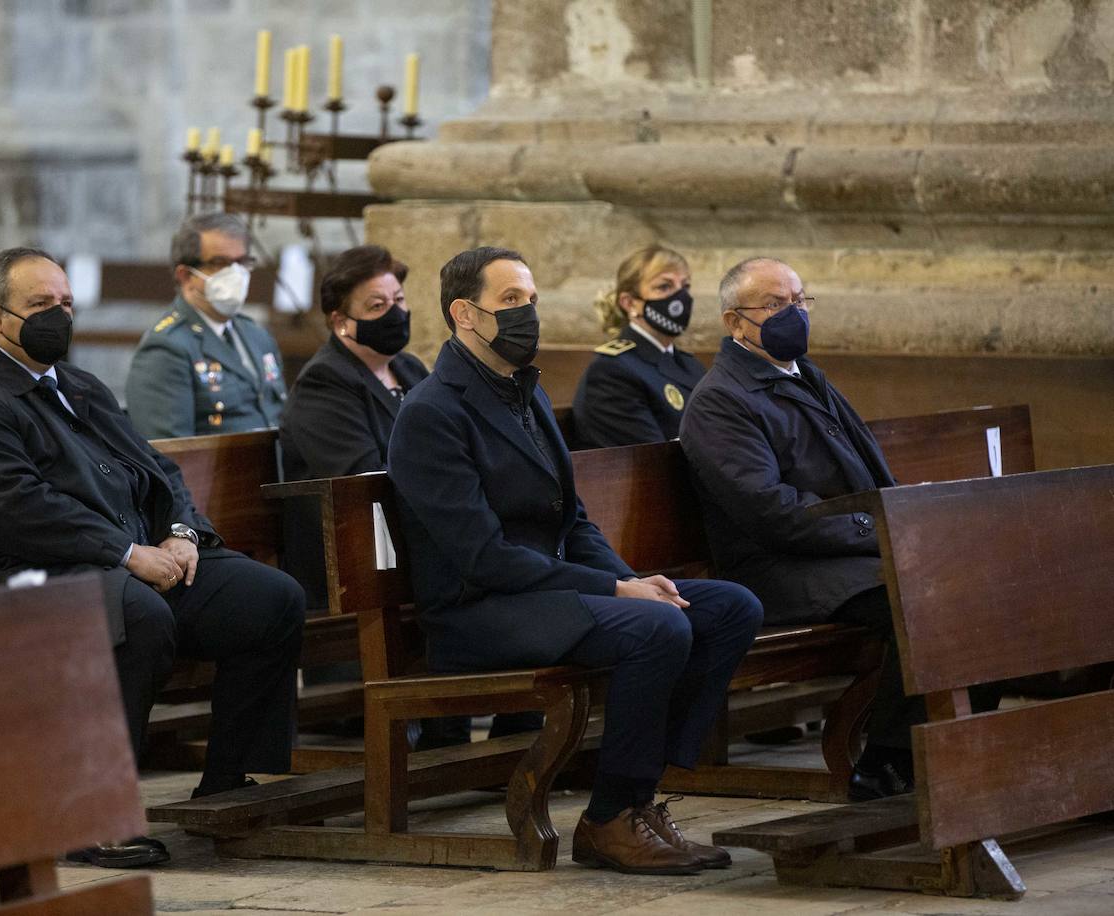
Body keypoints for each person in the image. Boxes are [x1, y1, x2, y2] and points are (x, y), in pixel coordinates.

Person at [0, 247, 305, 868]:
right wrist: (126, 554)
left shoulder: (77, 384)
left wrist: (181, 533)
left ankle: (227, 779)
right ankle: (89, 816)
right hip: (17, 577)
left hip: (118, 560)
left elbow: (159, 471)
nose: (58, 316)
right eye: (40, 306)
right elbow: (19, 509)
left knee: (271, 599)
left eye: (66, 304)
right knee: (138, 616)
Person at [388, 246, 763, 875]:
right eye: (511, 301)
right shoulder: (432, 411)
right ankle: (610, 817)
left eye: (531, 300)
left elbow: (573, 521)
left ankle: (641, 794)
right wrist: (617, 594)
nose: (528, 313)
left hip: (549, 596)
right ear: (464, 313)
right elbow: (484, 558)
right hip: (479, 611)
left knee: (727, 608)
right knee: (657, 626)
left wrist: (630, 578)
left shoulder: (522, 393)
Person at [678, 256, 921, 801]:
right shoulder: (720, 401)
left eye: (800, 301)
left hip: (845, 556)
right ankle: (889, 763)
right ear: (734, 322)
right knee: (923, 600)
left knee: (973, 586)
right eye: (775, 305)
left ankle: (947, 751)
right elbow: (774, 514)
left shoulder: (806, 376)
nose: (794, 314)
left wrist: (910, 523)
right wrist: (872, 527)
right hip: (780, 571)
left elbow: (872, 473)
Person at [126, 213, 287, 438]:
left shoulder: (257, 336)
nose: (236, 274)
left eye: (242, 262)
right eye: (220, 263)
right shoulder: (167, 347)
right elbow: (170, 455)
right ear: (185, 276)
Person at [280, 245, 426, 481]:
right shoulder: (324, 381)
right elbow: (362, 477)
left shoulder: (410, 368)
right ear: (340, 322)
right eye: (377, 305)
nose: (395, 313)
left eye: (398, 299)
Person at [572, 246, 706, 448]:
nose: (680, 298)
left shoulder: (690, 364)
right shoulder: (612, 372)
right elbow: (653, 460)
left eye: (684, 287)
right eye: (664, 287)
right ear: (629, 303)